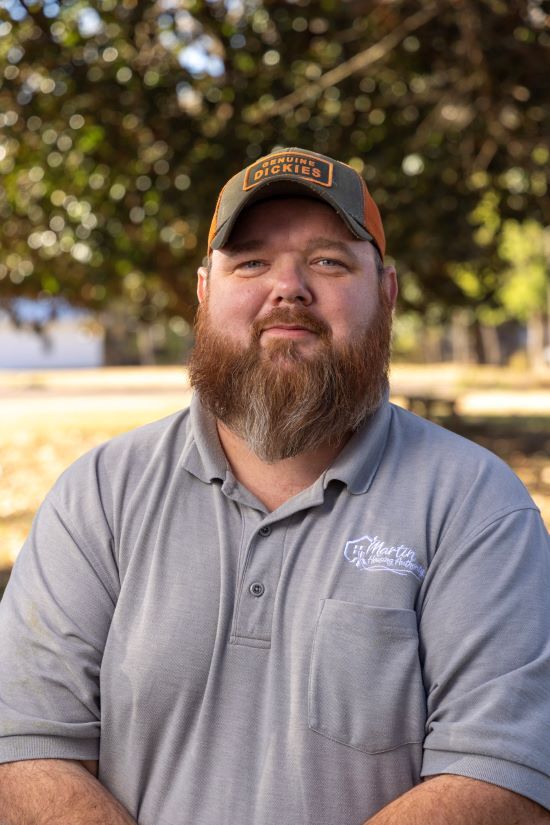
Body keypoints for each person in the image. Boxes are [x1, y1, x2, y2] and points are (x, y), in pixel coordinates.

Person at [0, 147, 549, 825]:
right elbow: (25, 745)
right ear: (205, 293)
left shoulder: (476, 506)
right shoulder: (100, 495)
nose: (287, 288)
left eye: (329, 261)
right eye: (251, 261)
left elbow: (502, 778)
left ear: (387, 293)